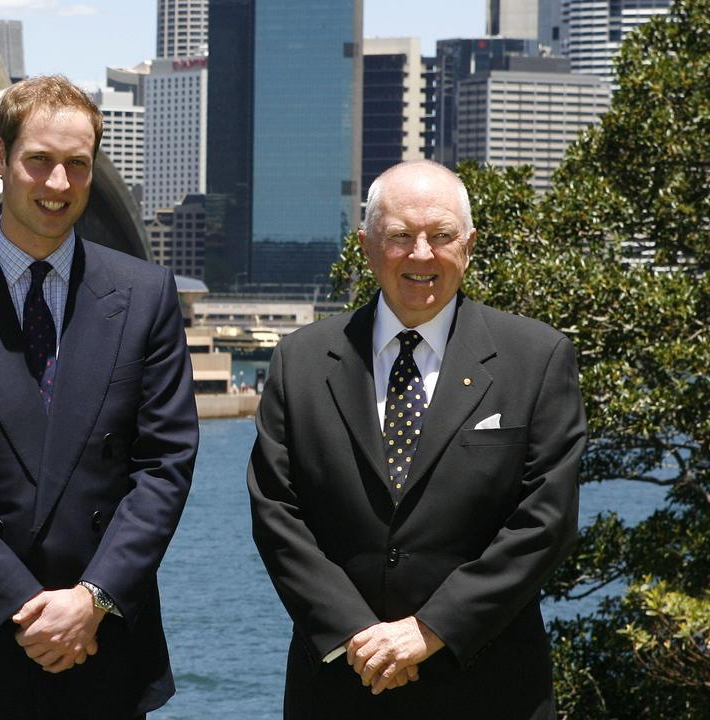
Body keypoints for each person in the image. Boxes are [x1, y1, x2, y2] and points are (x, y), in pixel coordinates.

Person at [0, 75, 199, 719]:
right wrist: (23, 609)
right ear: (0, 157)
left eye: (77, 165)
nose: (58, 184)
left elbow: (165, 465)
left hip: (103, 648)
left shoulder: (146, 296)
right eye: (40, 161)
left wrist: (92, 599)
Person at [247, 160, 586, 719]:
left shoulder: (537, 358)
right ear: (365, 245)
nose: (421, 255)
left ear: (469, 244)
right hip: (339, 685)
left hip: (492, 688)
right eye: (400, 236)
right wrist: (357, 634)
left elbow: (545, 521)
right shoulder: (300, 361)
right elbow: (276, 513)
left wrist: (432, 629)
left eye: (442, 236)